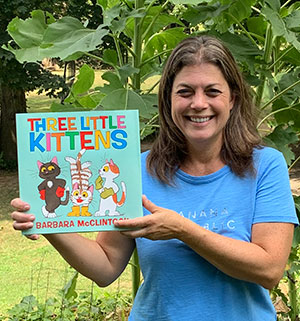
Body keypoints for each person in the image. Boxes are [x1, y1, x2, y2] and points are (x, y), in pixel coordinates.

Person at [11, 35, 298, 321]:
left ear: (232, 99)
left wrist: (183, 229)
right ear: (168, 99)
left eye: (212, 91)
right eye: (185, 92)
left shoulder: (264, 166)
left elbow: (269, 269)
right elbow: (106, 266)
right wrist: (49, 224)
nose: (198, 103)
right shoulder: (136, 171)